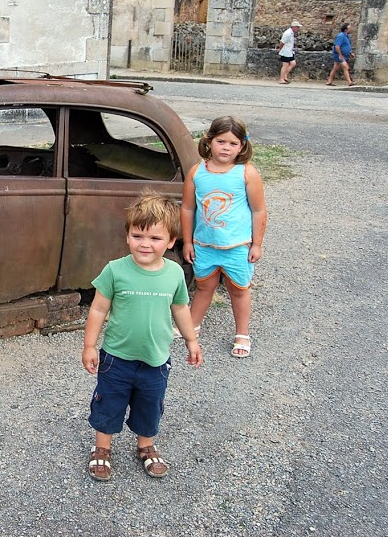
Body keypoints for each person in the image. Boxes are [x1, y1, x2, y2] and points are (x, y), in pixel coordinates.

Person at [82, 191, 203, 482]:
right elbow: (98, 309)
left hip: (156, 360)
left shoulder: (174, 273)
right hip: (116, 359)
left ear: (171, 241)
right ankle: (102, 447)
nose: (145, 244)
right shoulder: (115, 270)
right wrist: (89, 345)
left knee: (150, 404)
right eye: (137, 235)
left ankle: (146, 445)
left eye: (155, 238)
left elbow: (180, 308)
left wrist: (191, 340)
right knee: (109, 402)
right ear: (127, 237)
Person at [181, 116, 267, 359]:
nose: (226, 148)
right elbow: (187, 208)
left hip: (237, 246)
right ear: (209, 141)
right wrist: (187, 241)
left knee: (238, 289)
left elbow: (259, 210)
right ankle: (193, 324)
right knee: (203, 286)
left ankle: (242, 333)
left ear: (242, 146)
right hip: (204, 245)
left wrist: (257, 244)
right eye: (221, 141)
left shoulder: (247, 173)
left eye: (232, 143)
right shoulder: (197, 172)